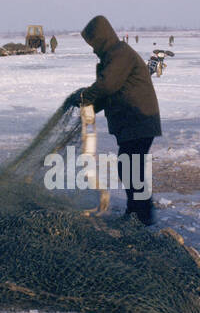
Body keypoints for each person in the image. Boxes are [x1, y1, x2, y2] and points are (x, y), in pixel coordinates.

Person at [66, 15, 162, 225]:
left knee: (130, 168)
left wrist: (86, 96)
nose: (92, 49)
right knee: (128, 167)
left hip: (140, 120)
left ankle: (143, 216)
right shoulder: (113, 56)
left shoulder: (120, 55)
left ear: (101, 38)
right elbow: (110, 93)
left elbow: (107, 86)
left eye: (93, 43)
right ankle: (136, 212)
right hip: (133, 122)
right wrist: (88, 103)